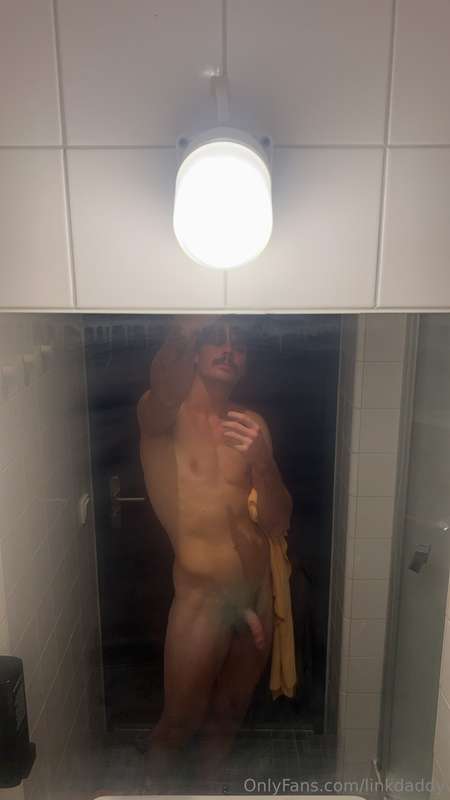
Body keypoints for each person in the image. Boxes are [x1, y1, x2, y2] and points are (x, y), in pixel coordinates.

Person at [137, 314, 293, 777]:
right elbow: (163, 385)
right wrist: (184, 329)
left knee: (228, 716)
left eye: (238, 344)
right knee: (178, 723)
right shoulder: (162, 416)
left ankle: (210, 790)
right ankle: (151, 792)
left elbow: (278, 521)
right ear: (194, 352)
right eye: (216, 341)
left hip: (257, 595)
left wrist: (263, 464)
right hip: (202, 599)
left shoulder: (251, 425)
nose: (228, 350)